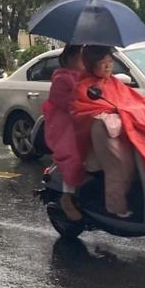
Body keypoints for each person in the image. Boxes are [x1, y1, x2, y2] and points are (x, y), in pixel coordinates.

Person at [71, 45, 145, 216]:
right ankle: (116, 207)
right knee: (121, 165)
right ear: (91, 64)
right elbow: (87, 110)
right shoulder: (85, 87)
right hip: (105, 136)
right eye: (103, 63)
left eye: (110, 62)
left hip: (124, 132)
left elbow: (132, 100)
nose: (108, 66)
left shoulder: (114, 82)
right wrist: (115, 114)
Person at [41, 45, 87, 221]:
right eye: (80, 58)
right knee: (74, 156)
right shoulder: (61, 79)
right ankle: (68, 197)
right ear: (69, 59)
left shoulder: (85, 76)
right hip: (65, 126)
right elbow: (69, 103)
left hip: (82, 121)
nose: (83, 62)